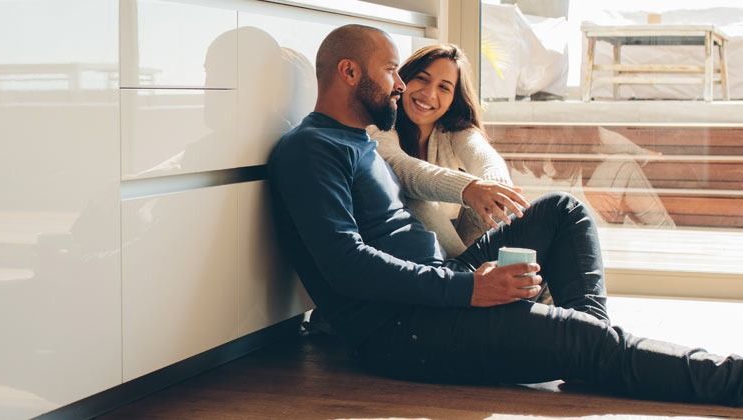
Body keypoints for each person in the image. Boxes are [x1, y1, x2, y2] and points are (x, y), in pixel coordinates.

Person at [267, 23, 743, 407]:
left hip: (441, 288)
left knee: (564, 210)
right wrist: (469, 289)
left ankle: (582, 346)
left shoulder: (361, 140)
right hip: (403, 331)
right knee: (591, 345)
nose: (399, 84)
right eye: (392, 70)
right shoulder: (311, 149)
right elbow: (346, 265)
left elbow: (445, 168)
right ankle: (723, 378)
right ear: (349, 73)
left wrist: (463, 274)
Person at [369, 44, 516, 257]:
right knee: (416, 196)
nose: (429, 93)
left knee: (563, 206)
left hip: (458, 241)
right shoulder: (380, 127)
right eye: (422, 78)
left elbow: (484, 157)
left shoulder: (454, 131)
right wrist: (469, 188)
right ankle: (468, 272)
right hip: (408, 249)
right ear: (404, 80)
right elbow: (401, 166)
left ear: (453, 99)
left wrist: (497, 188)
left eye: (444, 87)